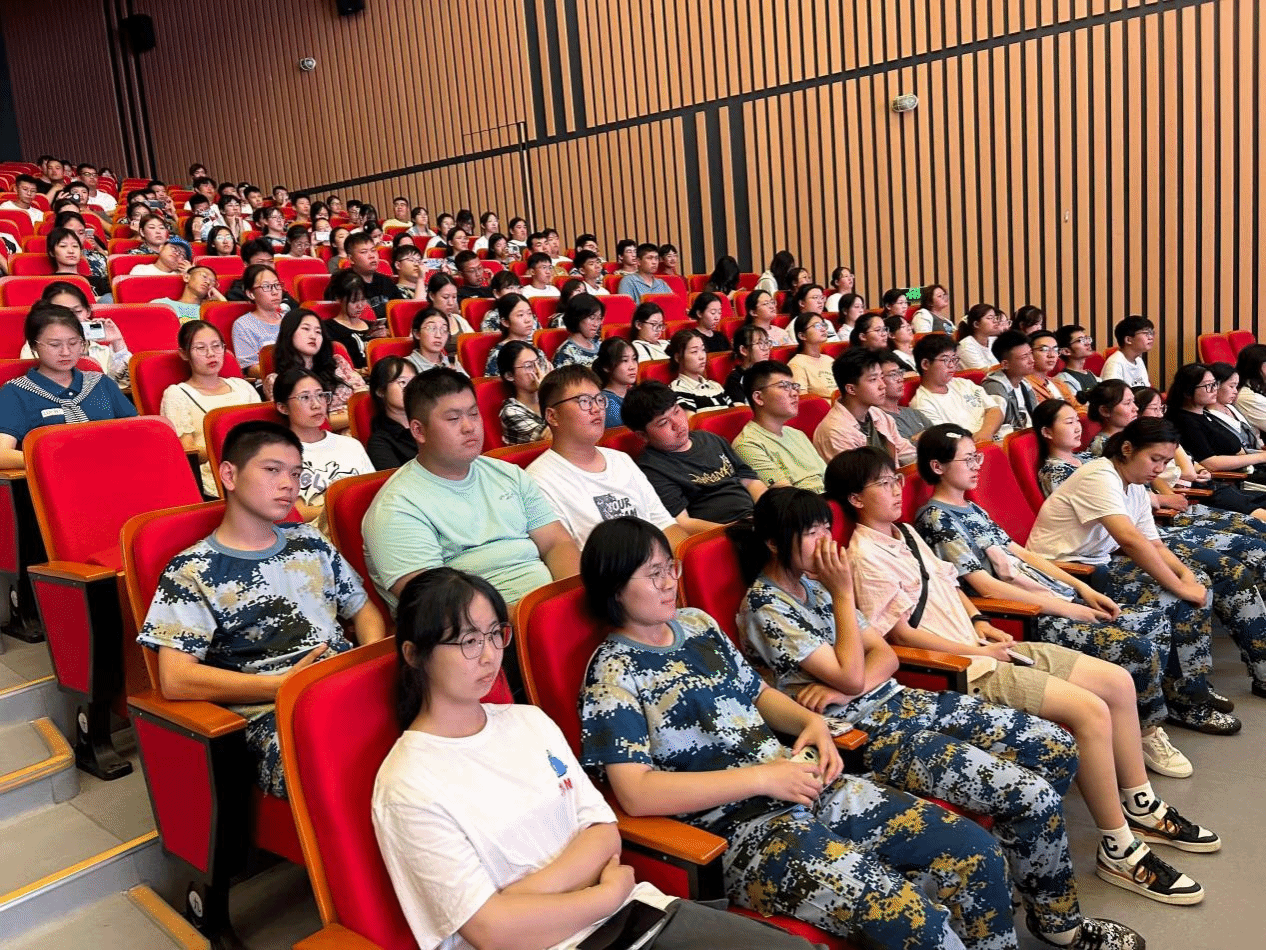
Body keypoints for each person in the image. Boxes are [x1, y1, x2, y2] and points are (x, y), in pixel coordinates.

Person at [739, 490, 1191, 934]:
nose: (825, 543)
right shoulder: (767, 606)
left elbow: (885, 658)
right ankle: (1059, 923)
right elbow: (854, 675)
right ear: (775, 543)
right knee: (1029, 794)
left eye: (826, 529)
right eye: (810, 533)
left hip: (898, 697)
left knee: (1054, 744)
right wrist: (844, 615)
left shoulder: (817, 586)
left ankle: (1024, 867)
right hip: (862, 731)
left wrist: (844, 680)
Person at [576, 516, 1023, 950]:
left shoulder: (696, 624)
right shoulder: (613, 672)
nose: (669, 583)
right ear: (614, 586)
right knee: (913, 922)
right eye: (653, 574)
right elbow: (636, 793)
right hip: (741, 830)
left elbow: (758, 695)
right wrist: (762, 778)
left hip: (800, 783)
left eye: (670, 568)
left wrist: (812, 724)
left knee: (974, 851)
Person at [830, 447, 1212, 916]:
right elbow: (902, 635)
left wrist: (979, 621)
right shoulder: (863, 555)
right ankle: (1118, 847)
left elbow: (948, 583)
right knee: (1089, 710)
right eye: (883, 484)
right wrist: (977, 651)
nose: (896, 490)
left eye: (896, 480)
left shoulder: (907, 532)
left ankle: (1141, 804)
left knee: (1117, 682)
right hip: (963, 667)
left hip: (984, 643)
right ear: (855, 499)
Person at [373, 568, 818, 950]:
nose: (490, 656)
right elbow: (491, 930)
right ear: (414, 654)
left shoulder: (528, 722)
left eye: (494, 634)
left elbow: (603, 832)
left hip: (637, 916)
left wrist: (521, 898)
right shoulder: (408, 783)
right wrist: (602, 896)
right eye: (469, 641)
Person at [918, 422, 1203, 776]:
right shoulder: (937, 518)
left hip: (1052, 594)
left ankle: (1141, 724)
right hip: (1025, 613)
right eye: (968, 460)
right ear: (937, 466)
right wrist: (1071, 608)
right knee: (1139, 647)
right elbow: (986, 588)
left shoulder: (972, 509)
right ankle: (1144, 733)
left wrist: (1083, 590)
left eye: (978, 458)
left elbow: (1023, 554)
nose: (977, 466)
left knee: (1155, 621)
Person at [136, 420, 384, 796]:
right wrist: (277, 686)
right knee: (353, 761)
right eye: (272, 470)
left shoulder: (309, 540)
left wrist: (368, 667)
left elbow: (363, 611)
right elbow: (176, 679)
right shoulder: (192, 570)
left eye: (296, 473)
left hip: (343, 687)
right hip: (273, 712)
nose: (289, 484)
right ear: (229, 475)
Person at [1027, 418, 1250, 733]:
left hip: (1098, 567)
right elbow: (1130, 540)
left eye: (1166, 462)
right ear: (1128, 449)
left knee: (1197, 583)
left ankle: (1191, 687)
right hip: (1067, 576)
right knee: (1178, 599)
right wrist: (1179, 587)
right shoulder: (1099, 476)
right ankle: (1188, 705)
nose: (1160, 469)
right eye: (1154, 459)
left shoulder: (1134, 485)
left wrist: (1186, 575)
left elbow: (1153, 543)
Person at [362, 368, 580, 610]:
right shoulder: (396, 507)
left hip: (546, 609)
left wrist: (570, 602)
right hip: (477, 627)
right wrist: (530, 619)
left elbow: (557, 543)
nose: (469, 427)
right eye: (453, 419)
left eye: (474, 414)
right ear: (419, 431)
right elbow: (437, 604)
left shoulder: (509, 474)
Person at [525, 365, 683, 549]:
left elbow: (666, 525)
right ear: (552, 416)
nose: (596, 409)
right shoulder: (538, 481)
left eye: (600, 400)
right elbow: (566, 555)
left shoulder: (621, 460)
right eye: (584, 401)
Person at [0, 303, 139, 469]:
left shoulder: (101, 383)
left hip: (116, 470)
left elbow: (138, 434)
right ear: (33, 345)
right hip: (54, 478)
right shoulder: (16, 392)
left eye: (73, 343)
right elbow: (2, 454)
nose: (66, 352)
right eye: (54, 345)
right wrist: (62, 459)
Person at [623, 381, 765, 531]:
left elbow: (750, 481)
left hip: (756, 521)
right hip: (722, 534)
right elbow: (682, 523)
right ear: (643, 435)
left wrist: (768, 512)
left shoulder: (709, 438)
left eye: (677, 412)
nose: (677, 424)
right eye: (663, 422)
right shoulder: (651, 469)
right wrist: (738, 531)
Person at [160, 320, 260, 496]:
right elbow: (188, 454)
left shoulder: (243, 386)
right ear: (184, 354)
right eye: (201, 348)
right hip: (216, 476)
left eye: (216, 346)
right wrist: (229, 446)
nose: (211, 354)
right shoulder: (177, 394)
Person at [272, 367, 374, 526]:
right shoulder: (277, 456)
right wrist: (345, 508)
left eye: (320, 395)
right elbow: (295, 512)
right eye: (305, 397)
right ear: (283, 407)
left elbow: (374, 494)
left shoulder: (351, 445)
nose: (316, 405)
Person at [1164, 363, 1266, 507]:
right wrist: (1261, 457)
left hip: (1243, 474)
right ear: (1187, 391)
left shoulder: (1205, 414)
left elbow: (1237, 449)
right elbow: (1210, 463)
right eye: (1208, 386)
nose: (1214, 390)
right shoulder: (1183, 421)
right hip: (1227, 483)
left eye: (1214, 384)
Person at [262, 307, 366, 431]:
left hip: (362, 429)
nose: (313, 336)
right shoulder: (276, 381)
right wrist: (356, 417)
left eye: (318, 332)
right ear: (289, 334)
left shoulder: (338, 362)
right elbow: (307, 422)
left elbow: (363, 397)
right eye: (306, 329)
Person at [813, 348, 917, 466]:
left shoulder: (878, 415)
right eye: (873, 379)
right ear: (851, 389)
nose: (882, 385)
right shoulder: (835, 432)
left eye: (881, 377)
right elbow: (859, 475)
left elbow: (905, 452)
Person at [731, 361, 824, 491]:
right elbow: (785, 496)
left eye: (794, 386)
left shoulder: (797, 434)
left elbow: (828, 477)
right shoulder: (747, 445)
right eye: (784, 386)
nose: (794, 393)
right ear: (759, 398)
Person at [19, 283, 131, 388]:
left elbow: (124, 384)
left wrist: (118, 341)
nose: (70, 319)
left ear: (87, 312)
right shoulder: (36, 347)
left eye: (77, 311)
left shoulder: (101, 351)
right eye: (61, 313)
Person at [909, 334, 1007, 441]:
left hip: (994, 439)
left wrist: (985, 432)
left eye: (954, 359)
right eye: (946, 360)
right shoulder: (922, 404)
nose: (952, 366)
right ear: (925, 364)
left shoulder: (964, 384)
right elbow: (948, 440)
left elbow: (995, 410)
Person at [232, 264, 288, 379]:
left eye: (277, 285)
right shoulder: (243, 325)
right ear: (250, 294)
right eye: (266, 286)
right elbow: (250, 368)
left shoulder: (289, 319)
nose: (275, 292)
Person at [325, 269, 386, 369]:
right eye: (353, 301)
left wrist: (380, 340)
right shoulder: (328, 328)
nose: (360, 306)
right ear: (339, 299)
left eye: (363, 300)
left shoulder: (371, 326)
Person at [365, 356, 418, 470]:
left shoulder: (430, 422)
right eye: (403, 382)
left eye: (414, 382)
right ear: (381, 391)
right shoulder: (380, 443)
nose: (411, 388)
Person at [335, 232, 402, 321]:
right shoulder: (342, 282)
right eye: (364, 252)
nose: (372, 256)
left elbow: (401, 310)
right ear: (351, 259)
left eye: (373, 250)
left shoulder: (386, 281)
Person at [980, 330, 1038, 430]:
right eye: (1024, 357)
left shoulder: (1025, 384)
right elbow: (997, 427)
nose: (1032, 360)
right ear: (1005, 364)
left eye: (1030, 354)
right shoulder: (994, 387)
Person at [666, 328, 731, 413]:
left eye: (703, 350)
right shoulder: (677, 390)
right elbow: (692, 420)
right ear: (678, 358)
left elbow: (734, 415)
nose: (702, 357)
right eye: (694, 351)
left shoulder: (716, 386)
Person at [498, 341, 549, 445]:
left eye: (538, 363)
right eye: (528, 366)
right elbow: (553, 437)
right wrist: (547, 391)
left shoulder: (546, 400)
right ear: (509, 375)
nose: (537, 371)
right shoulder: (511, 412)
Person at [486, 294, 548, 377]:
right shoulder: (499, 354)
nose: (528, 320)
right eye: (520, 315)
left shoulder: (536, 350)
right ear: (505, 322)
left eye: (529, 313)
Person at [150, 264, 225, 322]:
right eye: (204, 276)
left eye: (212, 282)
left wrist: (222, 299)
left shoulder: (209, 310)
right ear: (186, 277)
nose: (208, 282)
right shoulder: (162, 304)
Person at [405, 307, 465, 375]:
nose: (438, 335)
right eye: (431, 328)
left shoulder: (452, 363)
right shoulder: (406, 366)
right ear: (417, 334)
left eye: (444, 329)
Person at [787, 314, 835, 398]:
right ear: (802, 336)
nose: (823, 329)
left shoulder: (829, 360)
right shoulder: (796, 364)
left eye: (823, 325)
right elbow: (804, 399)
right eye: (817, 326)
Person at [594, 336, 638, 428]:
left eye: (634, 359)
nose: (632, 366)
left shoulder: (636, 392)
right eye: (624, 360)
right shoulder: (607, 404)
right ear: (607, 367)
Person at [723, 324, 773, 404]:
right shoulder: (735, 380)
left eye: (767, 343)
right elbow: (742, 408)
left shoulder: (772, 372)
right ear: (743, 350)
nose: (766, 348)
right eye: (760, 343)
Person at [552, 294, 604, 368]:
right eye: (592, 318)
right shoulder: (566, 353)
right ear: (577, 317)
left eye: (599, 318)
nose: (596, 324)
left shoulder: (599, 344)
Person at [1102, 316, 1154, 386]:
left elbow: (1146, 389)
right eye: (1146, 333)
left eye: (1151, 333)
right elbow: (1114, 392)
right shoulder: (1115, 363)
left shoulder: (1138, 360)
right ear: (1128, 340)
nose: (1151, 337)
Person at [426, 273, 475, 345]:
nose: (451, 303)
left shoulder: (459, 320)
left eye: (454, 297)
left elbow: (473, 344)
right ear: (432, 296)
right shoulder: (424, 322)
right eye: (445, 297)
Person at [955, 303, 1001, 370]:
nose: (995, 321)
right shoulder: (966, 345)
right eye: (990, 318)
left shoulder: (995, 341)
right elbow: (983, 372)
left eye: (995, 318)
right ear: (976, 324)